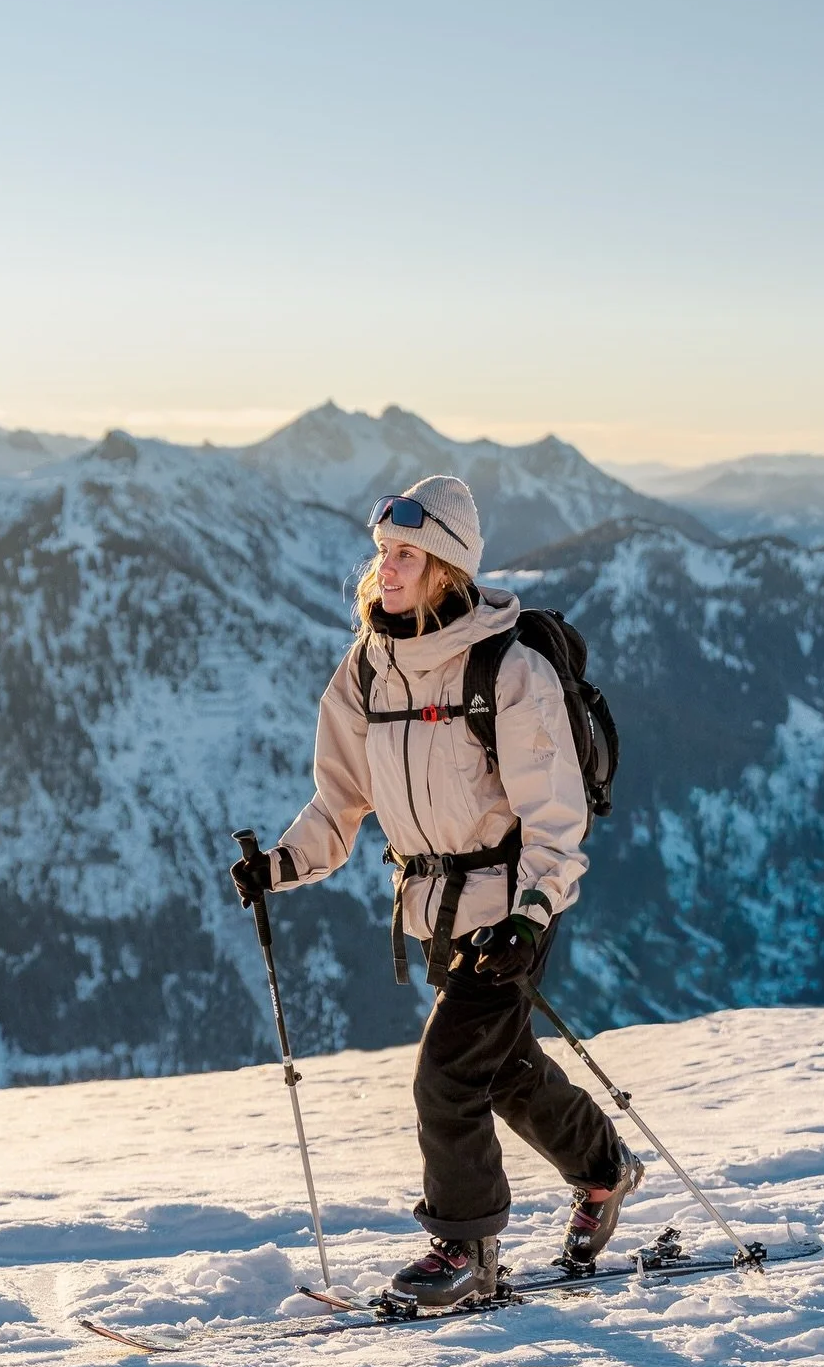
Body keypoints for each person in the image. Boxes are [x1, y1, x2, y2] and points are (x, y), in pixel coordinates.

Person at [230, 474, 643, 1307]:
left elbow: (555, 817)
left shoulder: (508, 668)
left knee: (446, 1077)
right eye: (383, 552)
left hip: (513, 906)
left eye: (407, 554)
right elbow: (341, 799)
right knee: (501, 1069)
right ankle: (604, 1171)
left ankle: (467, 1251)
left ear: (448, 567)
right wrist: (283, 862)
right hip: (434, 911)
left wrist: (530, 918)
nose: (387, 568)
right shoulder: (367, 672)